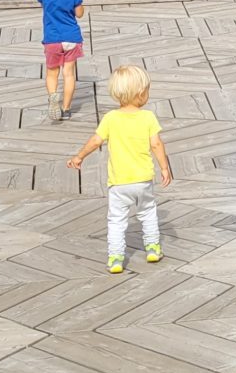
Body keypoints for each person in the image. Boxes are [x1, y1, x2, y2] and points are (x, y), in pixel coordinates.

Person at [67, 64, 171, 274]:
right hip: (143, 180)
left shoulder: (110, 118)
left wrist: (79, 156)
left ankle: (115, 258)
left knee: (116, 220)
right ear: (141, 93)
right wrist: (164, 167)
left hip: (118, 182)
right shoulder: (148, 117)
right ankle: (152, 248)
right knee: (148, 212)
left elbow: (96, 141)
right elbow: (156, 144)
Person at [38, 0, 84, 121]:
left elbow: (44, 5)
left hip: (52, 39)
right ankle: (66, 108)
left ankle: (52, 97)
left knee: (52, 73)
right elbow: (79, 14)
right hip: (71, 38)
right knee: (69, 74)